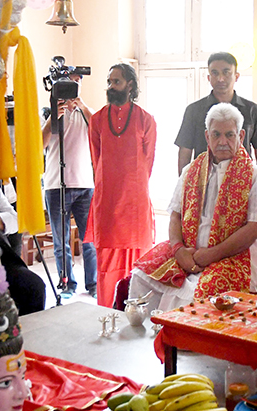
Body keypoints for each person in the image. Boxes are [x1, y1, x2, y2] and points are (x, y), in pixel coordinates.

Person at [129, 103, 257, 310]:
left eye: (229, 135)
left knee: (191, 295)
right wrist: (178, 250)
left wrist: (212, 254)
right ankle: (148, 331)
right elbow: (175, 215)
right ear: (207, 137)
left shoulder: (255, 175)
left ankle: (169, 331)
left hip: (234, 257)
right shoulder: (190, 170)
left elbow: (255, 228)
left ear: (241, 136)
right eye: (216, 134)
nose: (222, 142)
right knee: (140, 277)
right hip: (188, 252)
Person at [88, 63, 156, 307]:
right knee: (106, 260)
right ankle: (107, 309)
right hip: (107, 201)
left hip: (135, 202)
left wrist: (132, 186)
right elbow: (96, 160)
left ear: (130, 85)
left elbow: (148, 162)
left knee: (138, 261)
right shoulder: (96, 120)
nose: (111, 86)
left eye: (116, 81)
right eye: (109, 81)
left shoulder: (146, 120)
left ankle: (137, 310)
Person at [41, 72, 97, 298]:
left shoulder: (86, 113)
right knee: (61, 241)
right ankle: (67, 285)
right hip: (56, 185)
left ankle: (93, 284)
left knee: (90, 240)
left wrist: (81, 105)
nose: (73, 85)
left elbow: (99, 131)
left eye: (76, 82)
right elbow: (40, 144)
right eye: (68, 82)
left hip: (85, 184)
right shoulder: (48, 114)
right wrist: (54, 115)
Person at [175, 52, 257, 176]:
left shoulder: (251, 110)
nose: (220, 79)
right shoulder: (194, 110)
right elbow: (185, 151)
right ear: (209, 77)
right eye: (215, 73)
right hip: (204, 181)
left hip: (241, 180)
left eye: (226, 72)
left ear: (236, 76)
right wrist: (184, 183)